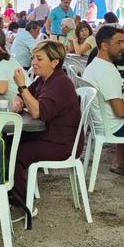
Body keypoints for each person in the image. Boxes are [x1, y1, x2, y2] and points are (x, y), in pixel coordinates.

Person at [9, 40, 82, 216]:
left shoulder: (61, 83)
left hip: (62, 143)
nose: (33, 62)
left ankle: (23, 202)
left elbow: (36, 111)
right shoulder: (43, 80)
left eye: (39, 58)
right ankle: (5, 190)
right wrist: (18, 100)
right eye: (33, 57)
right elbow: (20, 97)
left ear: (54, 62)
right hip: (46, 135)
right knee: (5, 141)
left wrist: (21, 86)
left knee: (15, 153)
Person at [81, 26, 124, 175]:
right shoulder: (107, 71)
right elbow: (121, 111)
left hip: (100, 123)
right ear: (104, 45)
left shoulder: (94, 66)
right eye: (119, 42)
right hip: (115, 127)